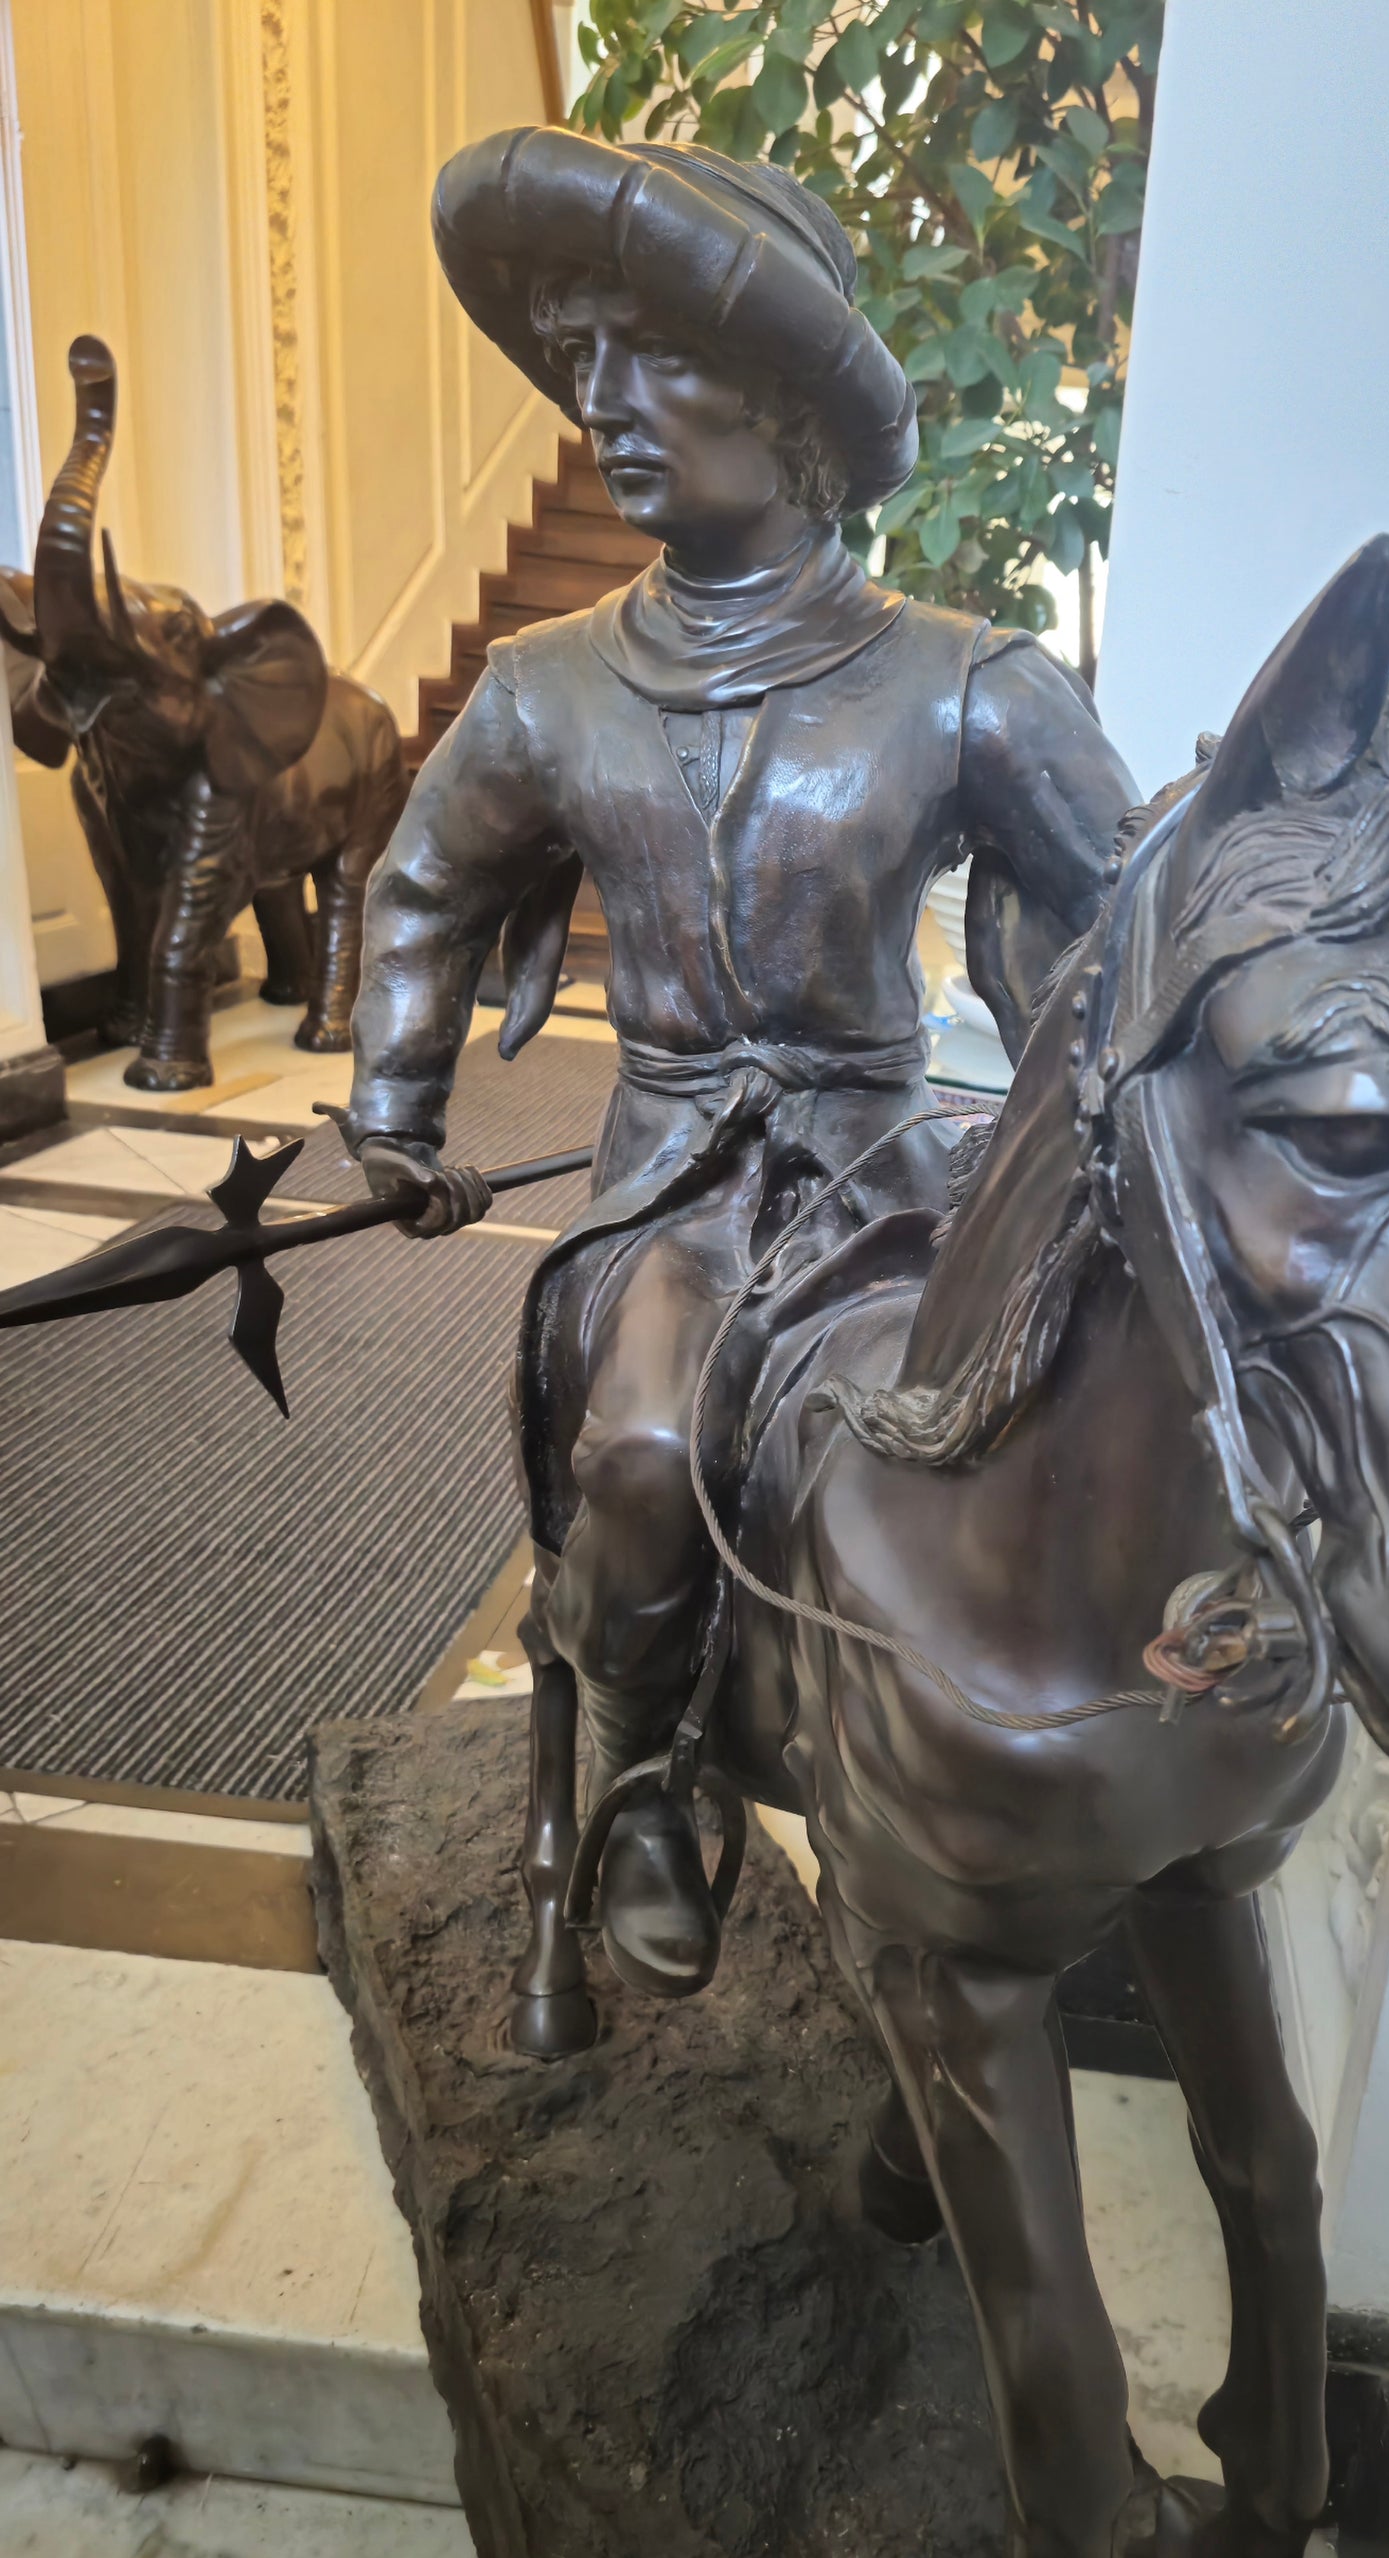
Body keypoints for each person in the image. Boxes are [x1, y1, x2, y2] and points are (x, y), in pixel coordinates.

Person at [348, 129, 1138, 1996]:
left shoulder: (967, 684)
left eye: (659, 360)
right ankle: (643, 1780)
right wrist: (395, 1110)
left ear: (789, 410)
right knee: (641, 1451)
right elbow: (420, 890)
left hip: (890, 1176)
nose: (604, 406)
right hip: (675, 1182)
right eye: (584, 361)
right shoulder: (547, 687)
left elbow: (1129, 930)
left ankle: (989, 1773)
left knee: (1047, 1445)